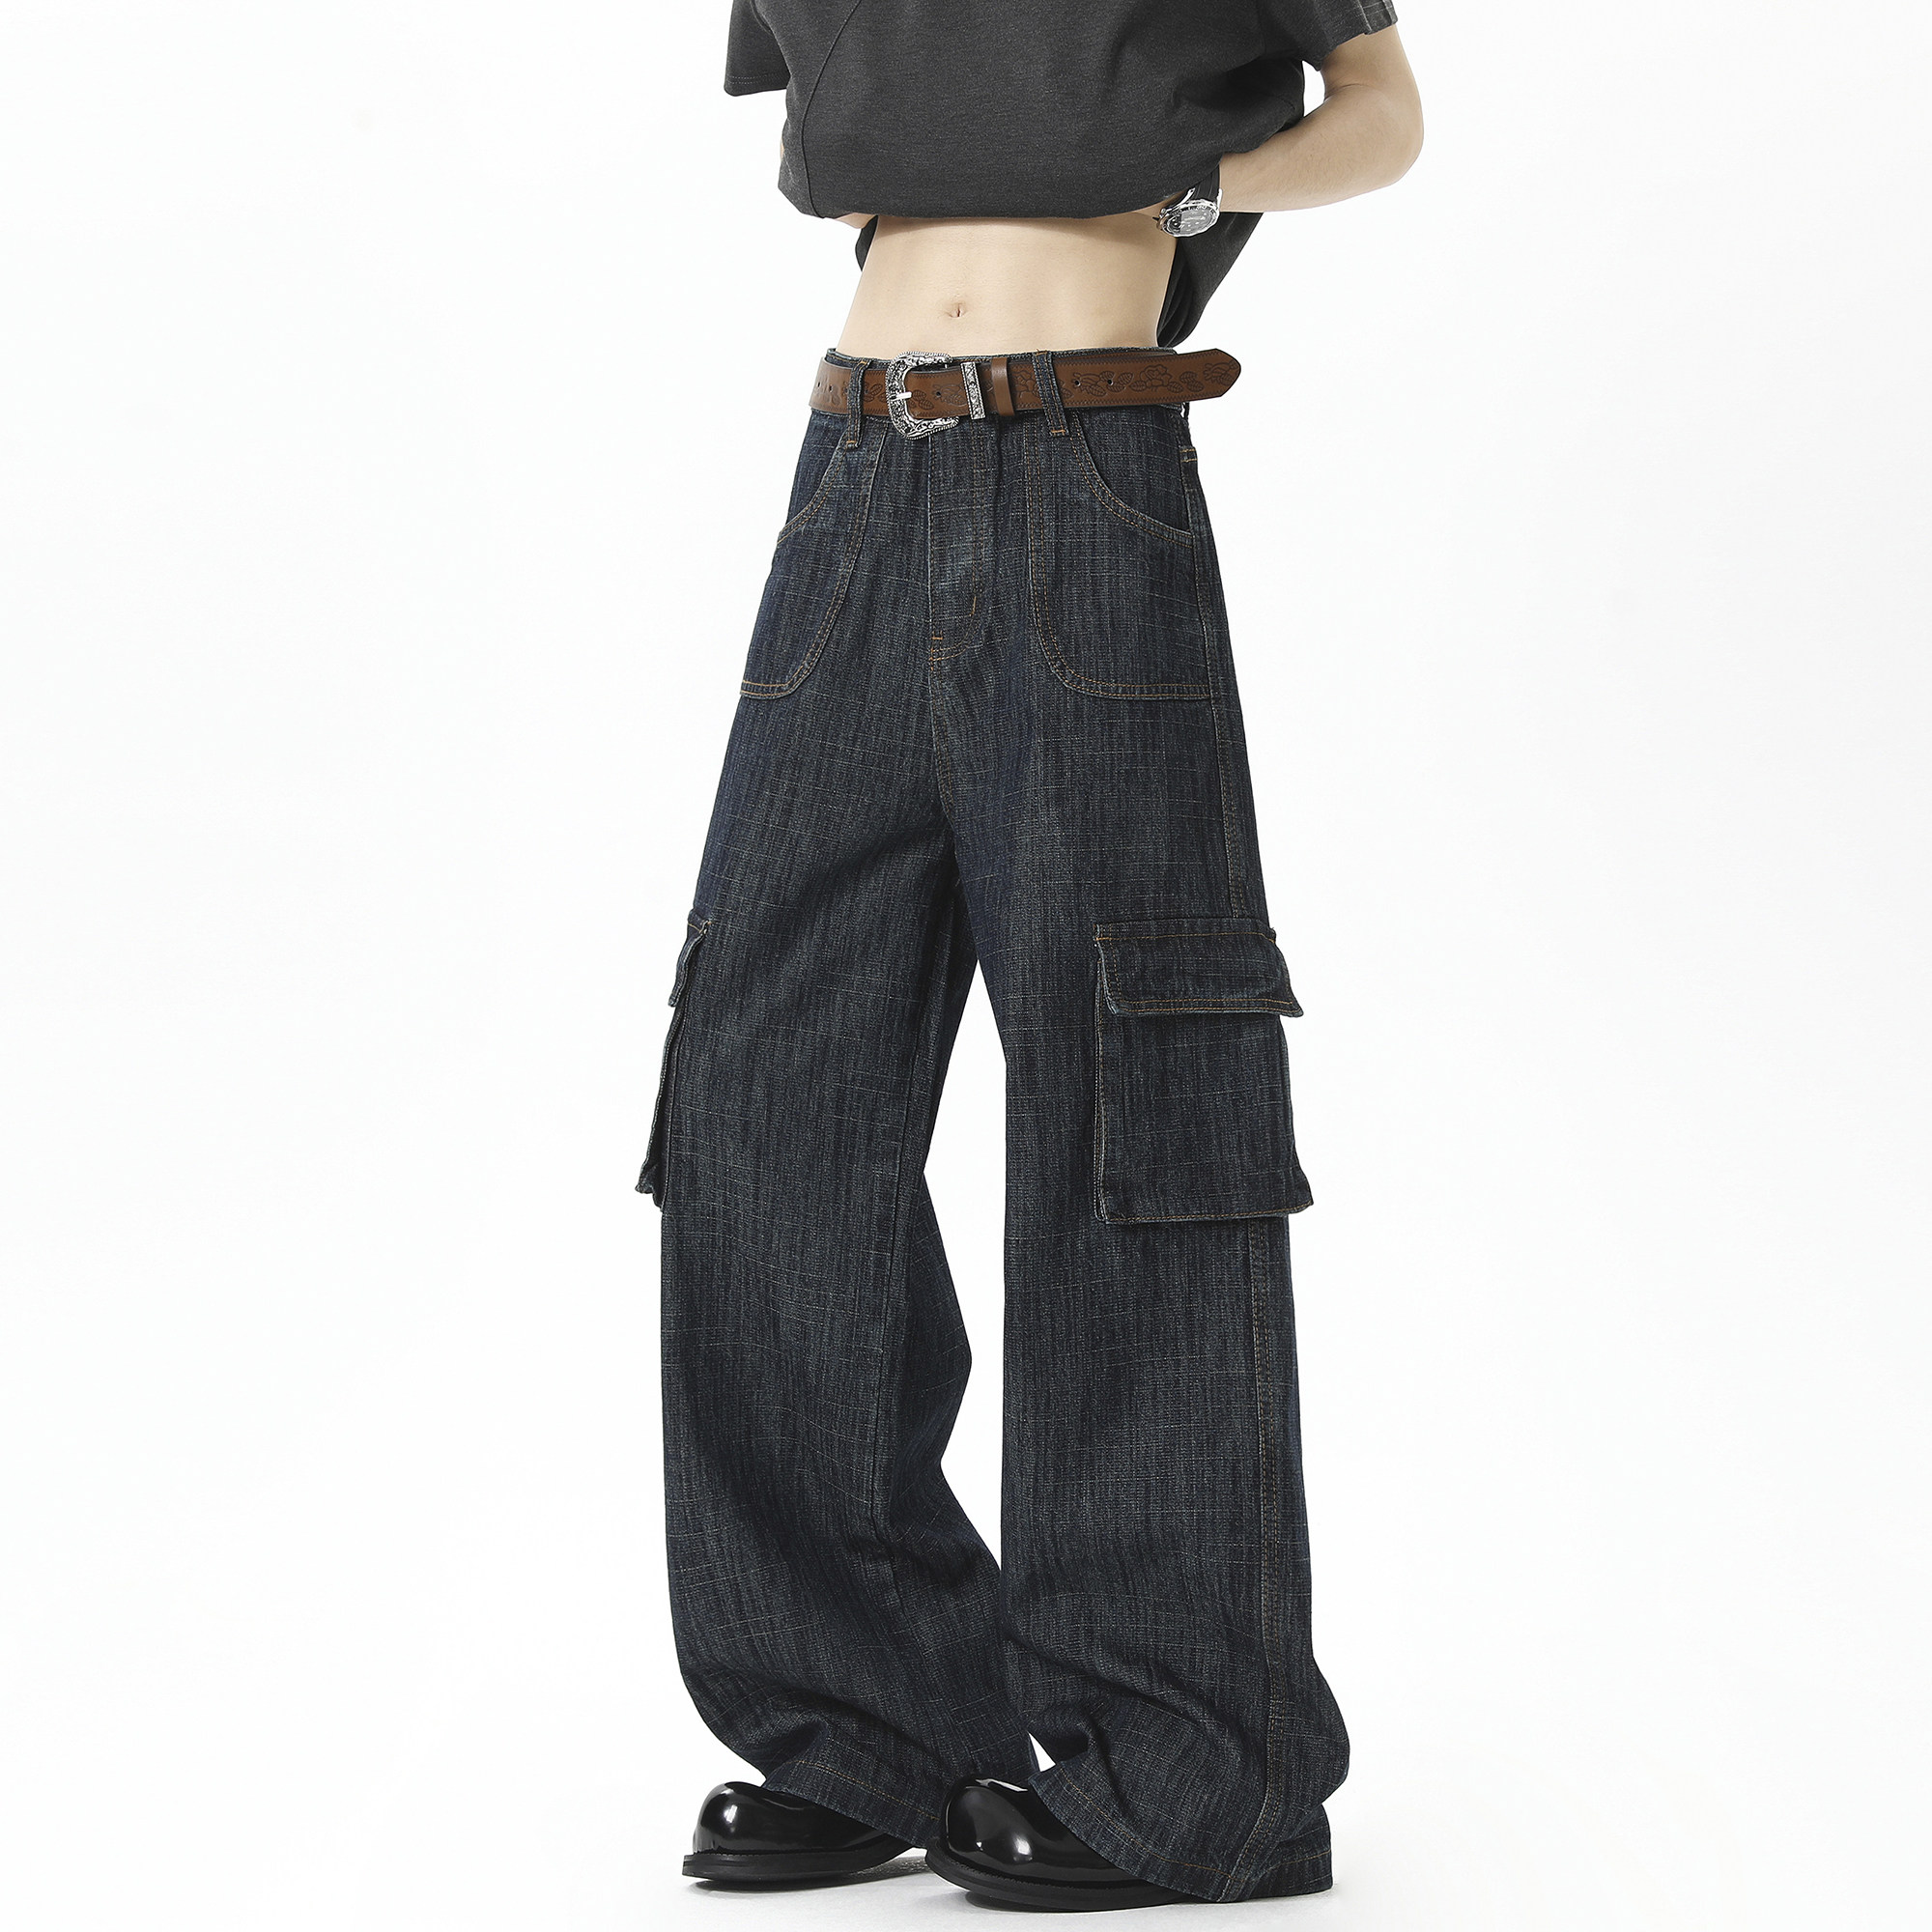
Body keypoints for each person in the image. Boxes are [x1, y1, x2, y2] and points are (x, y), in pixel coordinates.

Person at [640, 2, 1422, 1910]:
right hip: (849, 476)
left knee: (1129, 1104)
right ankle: (873, 1721)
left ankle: (1194, 1769)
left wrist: (1187, 185)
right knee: (755, 1095)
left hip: (1084, 472)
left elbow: (1382, 116)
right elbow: (855, 151)